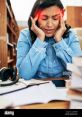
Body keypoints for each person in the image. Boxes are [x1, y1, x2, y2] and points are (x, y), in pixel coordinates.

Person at [16, 0, 82, 87]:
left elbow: (79, 72)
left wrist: (59, 41)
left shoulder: (71, 35)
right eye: (44, 18)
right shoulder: (25, 35)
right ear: (34, 18)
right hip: (35, 91)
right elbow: (24, 75)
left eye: (55, 18)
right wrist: (40, 40)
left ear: (61, 17)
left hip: (64, 90)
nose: (50, 25)